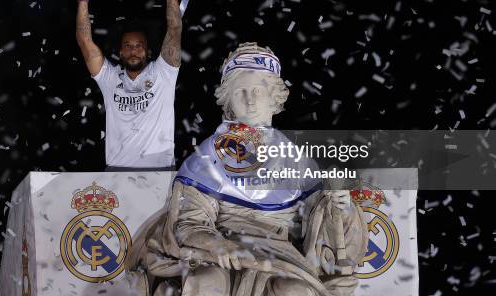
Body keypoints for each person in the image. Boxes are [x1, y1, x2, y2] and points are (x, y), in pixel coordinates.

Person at [126, 42, 368, 296]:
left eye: (258, 91)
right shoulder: (208, 158)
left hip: (281, 258)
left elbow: (322, 230)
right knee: (207, 281)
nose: (250, 100)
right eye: (241, 91)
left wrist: (342, 209)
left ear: (274, 97)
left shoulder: (298, 161)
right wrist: (220, 245)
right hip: (220, 251)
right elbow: (189, 224)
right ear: (228, 100)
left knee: (294, 291)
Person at [71, 0, 189, 170]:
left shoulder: (164, 73)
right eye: (128, 46)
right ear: (121, 52)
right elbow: (84, 41)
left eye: (139, 46)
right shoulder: (110, 79)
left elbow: (175, 29)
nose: (134, 51)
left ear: (148, 52)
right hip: (117, 172)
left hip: (160, 172)